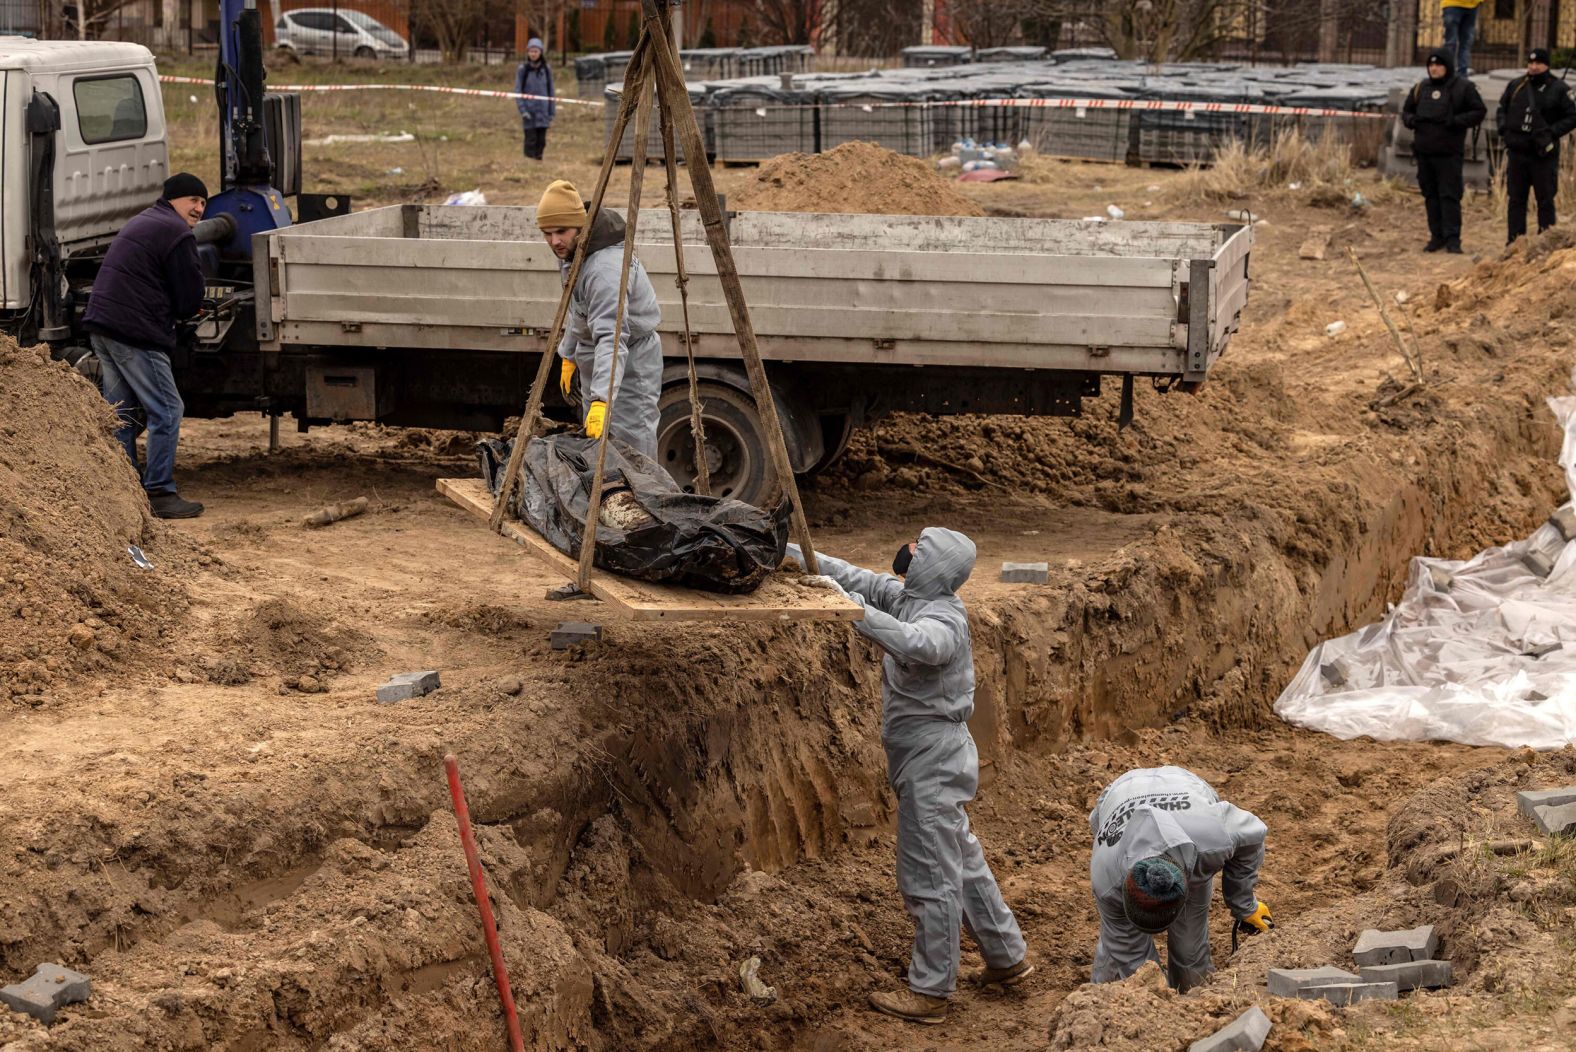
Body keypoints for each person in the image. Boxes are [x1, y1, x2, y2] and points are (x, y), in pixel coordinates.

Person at [785, 531, 1030, 1025]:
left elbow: (919, 644)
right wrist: (792, 554)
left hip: (933, 759)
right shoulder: (908, 598)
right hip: (929, 754)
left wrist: (850, 610)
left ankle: (932, 990)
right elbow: (853, 576)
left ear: (934, 566)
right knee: (959, 858)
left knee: (929, 874)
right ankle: (1007, 956)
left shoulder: (944, 619)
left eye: (919, 546)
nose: (908, 549)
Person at [82, 173, 208, 519]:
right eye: (193, 200)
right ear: (173, 200)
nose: (198, 208)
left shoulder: (146, 220)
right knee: (167, 409)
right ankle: (160, 492)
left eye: (203, 202)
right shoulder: (177, 232)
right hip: (134, 331)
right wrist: (190, 307)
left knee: (120, 413)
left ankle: (124, 488)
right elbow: (189, 294)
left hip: (105, 325)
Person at [1089, 766, 1271, 993]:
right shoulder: (1107, 881)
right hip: (1120, 791)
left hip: (1183, 786)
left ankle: (1194, 997)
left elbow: (1254, 834)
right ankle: (1100, 997)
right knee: (1122, 953)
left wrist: (1243, 904)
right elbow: (1134, 961)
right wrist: (1155, 997)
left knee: (1190, 947)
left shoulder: (1212, 838)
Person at [536, 179, 662, 459]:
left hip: (629, 363)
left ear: (581, 228)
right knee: (598, 448)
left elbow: (612, 337)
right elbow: (580, 310)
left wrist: (602, 400)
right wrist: (569, 354)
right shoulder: (573, 253)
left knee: (632, 447)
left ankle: (640, 502)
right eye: (547, 233)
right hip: (596, 358)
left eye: (561, 231)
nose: (554, 241)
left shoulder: (605, 270)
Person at [1402, 49, 1486, 254]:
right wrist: (1412, 121)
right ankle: (1436, 236)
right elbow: (1406, 111)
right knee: (1430, 195)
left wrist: (1456, 122)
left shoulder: (1463, 88)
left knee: (1449, 196)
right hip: (1424, 153)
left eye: (1438, 65)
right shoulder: (1420, 88)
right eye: (1430, 65)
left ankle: (1452, 239)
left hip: (1449, 154)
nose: (1434, 68)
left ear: (1447, 66)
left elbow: (1479, 111)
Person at [1496, 48, 1576, 244]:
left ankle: (1545, 242)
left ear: (1546, 65)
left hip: (1542, 155)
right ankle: (1514, 243)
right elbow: (1502, 109)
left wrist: (1551, 132)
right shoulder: (1516, 85)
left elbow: (1573, 116)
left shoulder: (1559, 88)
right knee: (1516, 201)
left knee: (1545, 201)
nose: (1533, 67)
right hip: (1517, 153)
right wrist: (1504, 129)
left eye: (1538, 63)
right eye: (1530, 63)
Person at [515, 38, 555, 161]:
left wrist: (551, 111)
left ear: (540, 52)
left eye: (536, 51)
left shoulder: (546, 69)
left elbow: (551, 91)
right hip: (529, 113)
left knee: (541, 141)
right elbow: (518, 91)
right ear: (528, 52)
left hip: (543, 112)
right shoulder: (523, 70)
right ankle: (529, 163)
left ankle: (539, 160)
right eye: (531, 51)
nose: (533, 54)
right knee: (530, 140)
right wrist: (523, 110)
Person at [1441, 0, 1484, 77]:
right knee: (1452, 43)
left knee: (1464, 43)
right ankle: (1448, 73)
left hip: (1472, 5)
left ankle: (1462, 76)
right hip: (1453, 4)